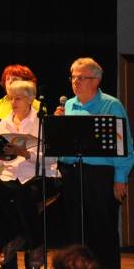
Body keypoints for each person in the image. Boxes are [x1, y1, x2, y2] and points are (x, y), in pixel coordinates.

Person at [54, 57, 134, 269]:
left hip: (100, 176)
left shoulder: (111, 105)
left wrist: (119, 180)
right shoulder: (68, 105)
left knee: (103, 230)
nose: (75, 82)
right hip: (71, 173)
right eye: (73, 77)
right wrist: (57, 128)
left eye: (81, 78)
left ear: (96, 80)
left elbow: (124, 147)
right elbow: (62, 147)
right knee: (75, 229)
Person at [0, 80, 60, 269]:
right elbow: (2, 159)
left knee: (24, 196)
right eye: (11, 98)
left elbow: (53, 157)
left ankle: (36, 245)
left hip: (40, 175)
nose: (14, 102)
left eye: (19, 98)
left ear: (31, 99)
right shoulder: (5, 122)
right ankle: (12, 239)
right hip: (11, 175)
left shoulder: (42, 121)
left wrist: (25, 153)